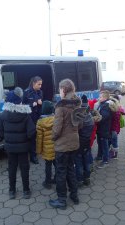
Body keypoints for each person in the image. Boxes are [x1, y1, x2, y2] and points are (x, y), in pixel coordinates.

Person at [49, 79, 85, 210]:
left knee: (60, 172)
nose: (59, 92)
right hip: (74, 143)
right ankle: (74, 196)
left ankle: (61, 200)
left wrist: (52, 138)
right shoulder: (77, 103)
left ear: (63, 89)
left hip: (63, 146)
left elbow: (56, 129)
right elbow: (80, 124)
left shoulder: (61, 106)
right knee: (70, 169)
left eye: (60, 89)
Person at [0, 87, 36, 199]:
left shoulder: (3, 115)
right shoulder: (25, 115)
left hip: (10, 148)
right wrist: (27, 139)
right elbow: (32, 131)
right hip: (23, 148)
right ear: (20, 101)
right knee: (24, 168)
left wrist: (7, 138)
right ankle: (26, 191)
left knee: (12, 168)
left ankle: (12, 191)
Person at [74, 95, 94, 187]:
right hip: (87, 142)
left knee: (78, 162)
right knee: (86, 161)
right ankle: (87, 179)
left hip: (79, 143)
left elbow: (75, 129)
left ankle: (79, 180)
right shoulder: (89, 115)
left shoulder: (78, 116)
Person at [36, 100, 56, 189]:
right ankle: (57, 179)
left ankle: (48, 182)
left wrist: (38, 151)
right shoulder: (56, 119)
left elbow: (39, 138)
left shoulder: (40, 122)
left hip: (47, 149)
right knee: (57, 164)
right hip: (57, 147)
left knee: (48, 165)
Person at [23, 76, 43, 164]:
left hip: (37, 118)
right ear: (33, 83)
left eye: (41, 84)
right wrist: (32, 104)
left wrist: (40, 103)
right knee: (30, 137)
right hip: (29, 118)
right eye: (39, 84)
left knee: (35, 137)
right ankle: (32, 156)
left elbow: (41, 104)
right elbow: (22, 106)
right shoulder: (26, 92)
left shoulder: (40, 92)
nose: (40, 86)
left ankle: (33, 155)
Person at [94, 90, 112, 169]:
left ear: (105, 98)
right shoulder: (102, 104)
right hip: (101, 129)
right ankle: (99, 156)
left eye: (100, 97)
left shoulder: (106, 106)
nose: (99, 98)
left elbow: (103, 117)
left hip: (104, 129)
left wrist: (96, 118)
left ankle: (105, 161)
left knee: (104, 145)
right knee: (100, 143)